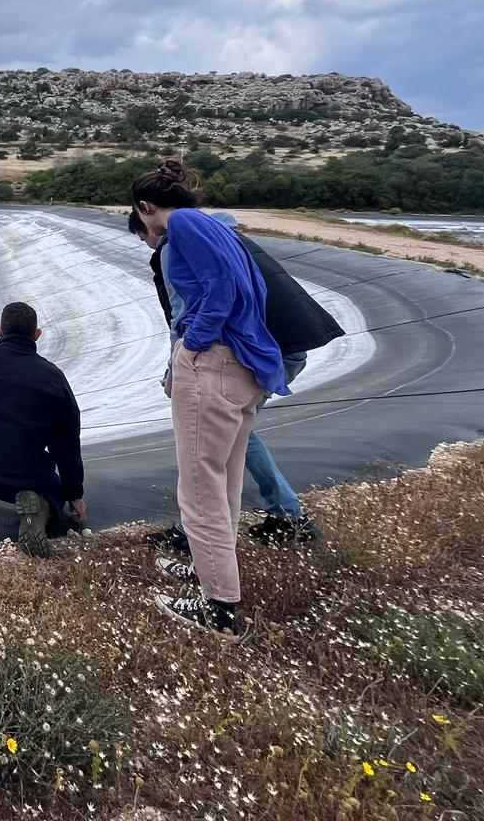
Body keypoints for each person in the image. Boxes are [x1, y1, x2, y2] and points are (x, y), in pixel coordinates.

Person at [133, 160, 287, 639]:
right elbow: (249, 287)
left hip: (214, 363)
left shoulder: (182, 225)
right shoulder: (214, 226)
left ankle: (219, 610)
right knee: (223, 482)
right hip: (244, 364)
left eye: (141, 224)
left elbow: (219, 293)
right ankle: (210, 574)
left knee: (199, 490)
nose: (147, 234)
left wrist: (192, 345)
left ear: (146, 208)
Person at [128, 206, 343, 548]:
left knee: (214, 436)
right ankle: (286, 514)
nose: (150, 246)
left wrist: (177, 368)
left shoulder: (175, 248)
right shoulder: (220, 234)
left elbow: (184, 315)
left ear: (149, 222)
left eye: (144, 238)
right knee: (235, 432)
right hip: (285, 340)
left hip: (264, 347)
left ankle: (198, 533)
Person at [0, 301, 86, 557]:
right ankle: (37, 506)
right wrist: (75, 494)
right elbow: (67, 443)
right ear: (37, 334)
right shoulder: (52, 377)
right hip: (23, 478)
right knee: (53, 490)